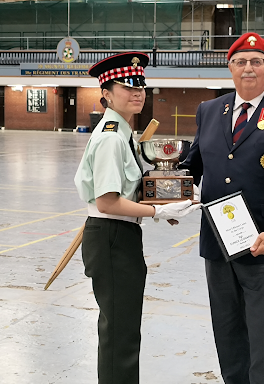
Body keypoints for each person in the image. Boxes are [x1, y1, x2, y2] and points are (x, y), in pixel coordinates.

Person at [180, 33, 264, 384]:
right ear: (230, 68)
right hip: (218, 243)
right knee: (227, 332)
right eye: (241, 61)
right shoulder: (210, 110)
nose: (248, 68)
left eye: (256, 61)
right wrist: (162, 193)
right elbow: (193, 166)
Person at [74, 52, 200, 384]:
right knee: (120, 333)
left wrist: (170, 197)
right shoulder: (111, 138)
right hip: (111, 236)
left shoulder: (123, 132)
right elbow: (107, 202)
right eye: (127, 85)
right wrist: (159, 210)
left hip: (120, 236)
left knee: (124, 328)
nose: (137, 92)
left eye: (141, 84)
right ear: (106, 94)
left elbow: (130, 190)